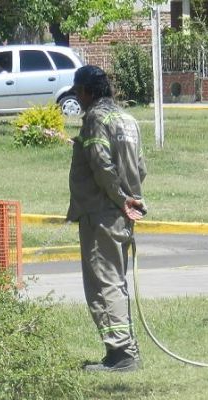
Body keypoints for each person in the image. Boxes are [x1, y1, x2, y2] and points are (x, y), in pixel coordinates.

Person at [66, 65, 147, 373]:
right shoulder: (127, 119)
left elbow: (102, 166)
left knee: (104, 282)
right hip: (122, 214)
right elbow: (140, 168)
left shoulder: (96, 120)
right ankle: (123, 350)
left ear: (87, 91)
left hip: (102, 214)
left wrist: (119, 198)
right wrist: (130, 199)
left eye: (78, 90)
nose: (76, 96)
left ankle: (121, 354)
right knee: (116, 279)